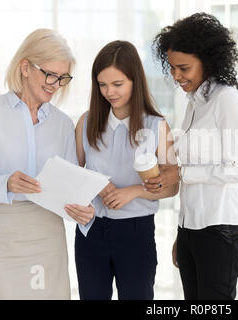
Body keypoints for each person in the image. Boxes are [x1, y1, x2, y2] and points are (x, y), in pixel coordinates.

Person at [0, 28, 95, 299]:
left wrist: (81, 211)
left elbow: (69, 190)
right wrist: (6, 182)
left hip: (45, 232)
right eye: (49, 74)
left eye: (62, 78)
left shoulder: (62, 124)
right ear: (25, 67)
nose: (55, 84)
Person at [149, 12, 238, 300]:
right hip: (192, 228)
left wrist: (184, 173)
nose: (176, 76)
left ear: (207, 61)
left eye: (183, 68)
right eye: (171, 68)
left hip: (221, 231)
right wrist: (183, 234)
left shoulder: (227, 100)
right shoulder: (193, 102)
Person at [74, 40, 179, 300]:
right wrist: (93, 185)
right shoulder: (85, 123)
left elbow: (173, 186)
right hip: (90, 232)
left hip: (135, 233)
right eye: (102, 84)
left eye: (117, 84)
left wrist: (133, 192)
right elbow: (73, 176)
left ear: (135, 81)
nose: (109, 92)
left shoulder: (158, 127)